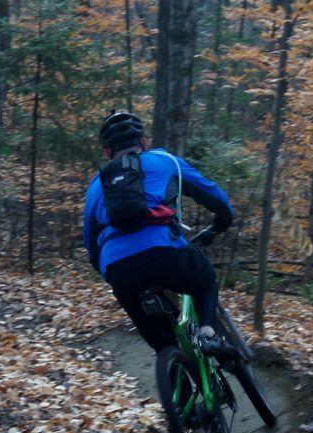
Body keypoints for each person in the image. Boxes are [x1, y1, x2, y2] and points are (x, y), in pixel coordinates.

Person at [83, 110, 234, 353]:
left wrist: (110, 270)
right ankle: (207, 333)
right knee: (205, 282)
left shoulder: (96, 186)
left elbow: (91, 246)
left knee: (164, 348)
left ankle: (172, 368)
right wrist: (223, 221)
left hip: (118, 268)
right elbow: (216, 198)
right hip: (165, 253)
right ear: (143, 143)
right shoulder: (165, 161)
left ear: (108, 153)